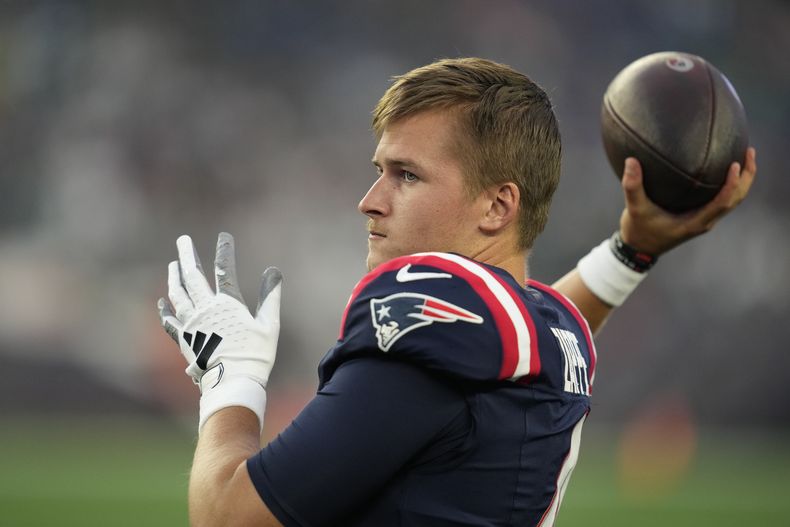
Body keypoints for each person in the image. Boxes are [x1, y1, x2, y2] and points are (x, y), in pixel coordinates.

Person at [158, 57, 756, 527]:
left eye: (406, 175)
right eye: (378, 170)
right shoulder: (544, 329)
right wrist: (632, 249)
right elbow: (558, 312)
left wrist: (230, 380)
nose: (370, 200)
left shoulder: (438, 319)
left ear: (497, 206)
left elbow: (228, 518)